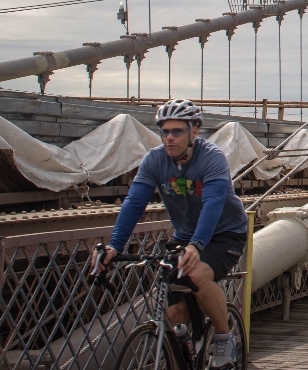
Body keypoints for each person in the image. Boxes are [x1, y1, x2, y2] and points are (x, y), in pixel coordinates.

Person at [91, 100, 249, 370]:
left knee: (197, 274)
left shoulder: (212, 158)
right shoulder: (154, 160)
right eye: (164, 131)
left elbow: (212, 205)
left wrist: (197, 245)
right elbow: (134, 203)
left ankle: (224, 338)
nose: (169, 138)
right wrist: (114, 247)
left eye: (176, 131)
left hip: (225, 233)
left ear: (193, 132)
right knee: (174, 315)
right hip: (186, 236)